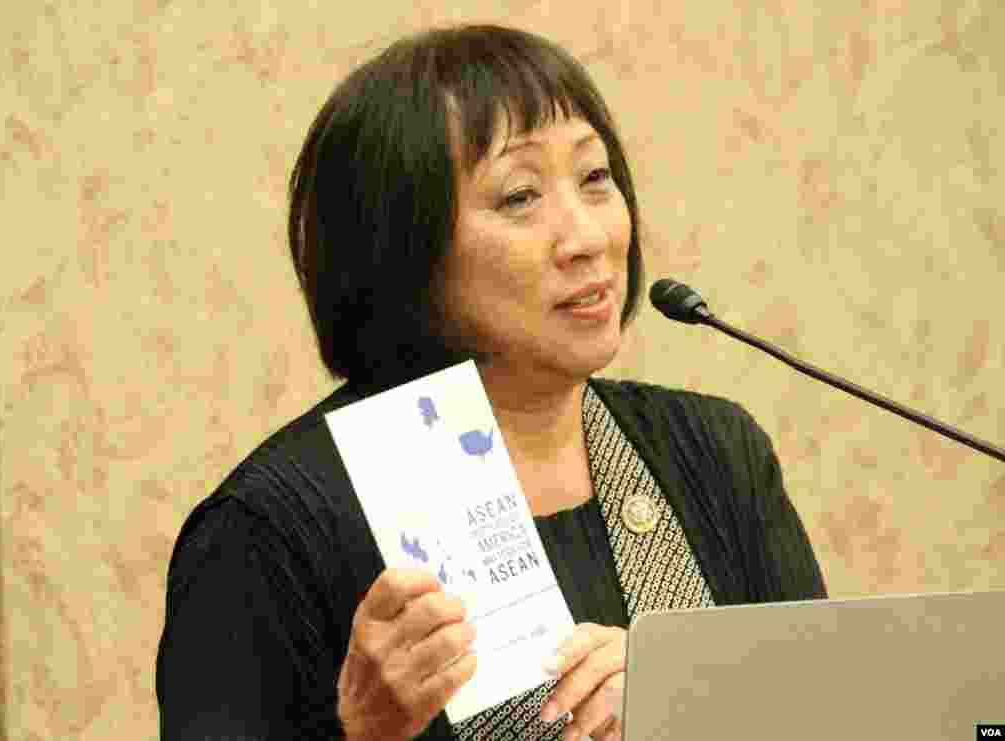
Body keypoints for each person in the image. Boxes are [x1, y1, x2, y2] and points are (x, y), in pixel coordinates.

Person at [155, 23, 826, 741]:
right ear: (401, 246)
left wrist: (690, 697)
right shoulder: (271, 526)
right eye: (520, 197)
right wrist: (363, 732)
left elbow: (842, 715)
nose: (588, 237)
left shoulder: (716, 454)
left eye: (596, 179)